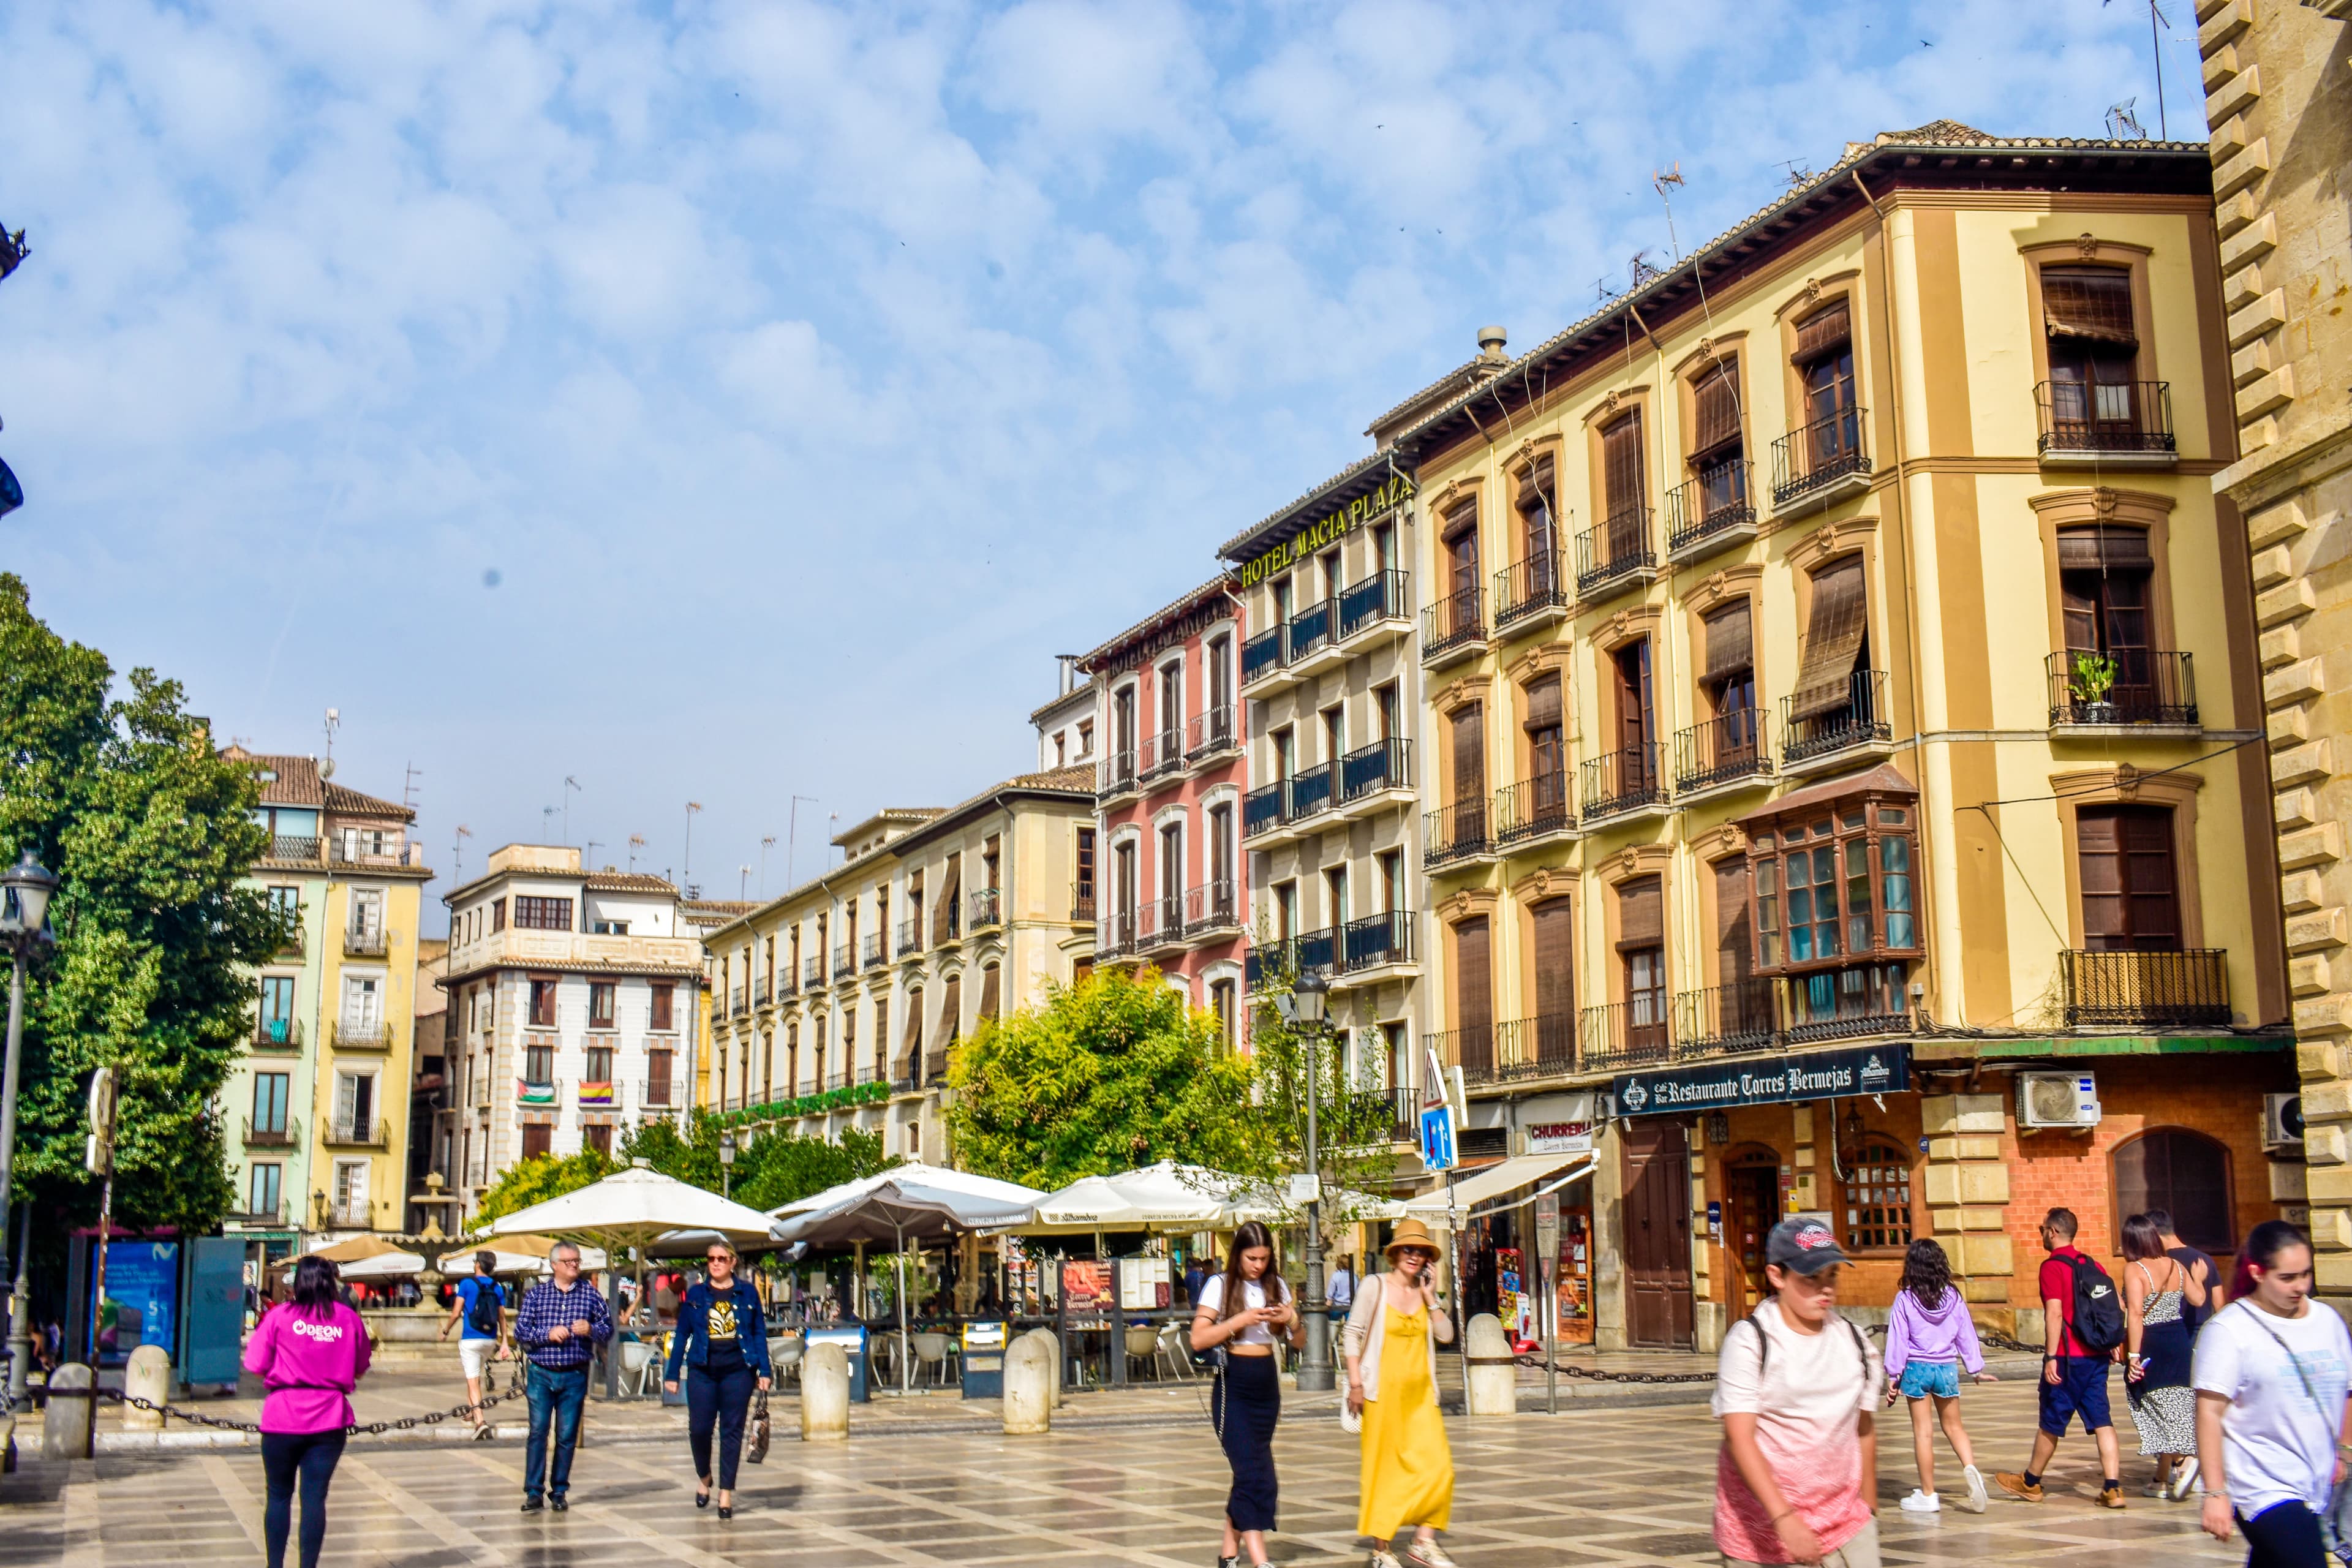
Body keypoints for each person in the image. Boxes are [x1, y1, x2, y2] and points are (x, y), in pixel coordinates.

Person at [1713, 1218, 1882, 1568]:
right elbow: (1739, 1437)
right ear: (1777, 1277)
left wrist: (1869, 1507)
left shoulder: (1854, 1340)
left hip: (1848, 1524)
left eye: (1831, 1275)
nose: (1826, 1289)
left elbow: (1863, 1428)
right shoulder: (1751, 1341)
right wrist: (1784, 1519)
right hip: (1762, 1532)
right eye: (1810, 1278)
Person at [2193, 1219, 2352, 1566]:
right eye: (2288, 1278)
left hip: (2317, 1481)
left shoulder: (2327, 1321)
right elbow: (2208, 1413)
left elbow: (2347, 1390)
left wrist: (2343, 1450)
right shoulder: (2229, 1330)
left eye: (2306, 1274)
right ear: (2258, 1272)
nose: (2300, 1286)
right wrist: (2216, 1493)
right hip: (2261, 1485)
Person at [242, 1255, 371, 1568]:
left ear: (298, 1284)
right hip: (329, 1420)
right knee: (314, 1499)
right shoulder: (348, 1318)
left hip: (282, 1418)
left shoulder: (280, 1317)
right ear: (331, 1283)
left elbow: (255, 1364)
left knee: (278, 1496)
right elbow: (361, 1367)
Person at [1345, 1217, 1458, 1568]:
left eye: (1422, 1251)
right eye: (1408, 1249)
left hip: (1422, 1396)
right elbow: (1351, 1334)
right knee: (1386, 1472)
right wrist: (1356, 1385)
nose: (1415, 1256)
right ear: (1394, 1254)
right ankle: (1382, 1550)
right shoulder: (1374, 1286)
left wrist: (1431, 1298)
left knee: (1440, 1469)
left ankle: (1423, 1542)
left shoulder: (1424, 1294)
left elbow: (1447, 1336)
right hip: (1382, 1395)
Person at [1996, 1207, 2126, 1509]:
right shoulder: (2092, 1265)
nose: (2041, 1234)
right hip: (2096, 1357)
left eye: (2043, 1229)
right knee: (2103, 1420)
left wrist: (2051, 1357)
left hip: (2068, 1358)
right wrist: (2113, 1342)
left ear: (2053, 1232)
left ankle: (2031, 1482)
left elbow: (2054, 1313)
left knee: (2051, 1422)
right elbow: (2115, 1306)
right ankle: (2113, 1488)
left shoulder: (2052, 1267)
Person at [1191, 1219, 1303, 1568]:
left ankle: (1228, 1555)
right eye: (1252, 1258)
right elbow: (1198, 1339)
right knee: (1257, 1474)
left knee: (1247, 1472)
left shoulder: (1277, 1285)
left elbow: (1298, 1343)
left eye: (1265, 1258)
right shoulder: (1219, 1285)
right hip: (1233, 1383)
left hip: (1265, 1382)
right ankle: (1260, 1561)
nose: (1258, 1265)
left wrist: (1292, 1319)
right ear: (1238, 1254)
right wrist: (1240, 1320)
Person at [1881, 1237, 1994, 1514]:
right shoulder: (1953, 1296)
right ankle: (1971, 1470)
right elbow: (1966, 1332)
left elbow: (1898, 1339)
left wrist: (1893, 1376)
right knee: (1955, 1427)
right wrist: (1975, 1367)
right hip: (1946, 1368)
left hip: (1917, 1369)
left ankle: (1928, 1495)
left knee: (1924, 1433)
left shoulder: (1905, 1298)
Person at [664, 1241, 774, 1520]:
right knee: (699, 1429)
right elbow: (682, 1334)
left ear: (733, 1262)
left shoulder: (747, 1293)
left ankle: (726, 1492)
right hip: (703, 1369)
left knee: (731, 1431)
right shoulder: (697, 1294)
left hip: (739, 1371)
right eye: (711, 1259)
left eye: (722, 1259)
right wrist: (672, 1373)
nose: (716, 1263)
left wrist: (764, 1370)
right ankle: (705, 1476)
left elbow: (758, 1332)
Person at [513, 1240, 614, 1513]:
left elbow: (608, 1328)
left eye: (577, 1262)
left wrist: (591, 1329)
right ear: (554, 1265)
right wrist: (547, 1334)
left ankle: (559, 1491)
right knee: (538, 1432)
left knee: (567, 1435)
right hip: (541, 1373)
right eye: (569, 1262)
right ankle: (534, 1491)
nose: (574, 1266)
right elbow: (521, 1332)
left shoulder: (590, 1295)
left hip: (574, 1374)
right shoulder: (536, 1295)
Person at [2121, 1212, 2205, 1499]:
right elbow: (2199, 1299)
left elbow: (2135, 1314)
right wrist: (2198, 1277)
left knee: (2147, 1401)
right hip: (2179, 1340)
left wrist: (2133, 1356)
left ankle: (2185, 1460)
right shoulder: (2177, 1266)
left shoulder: (2135, 1270)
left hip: (2152, 1342)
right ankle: (2160, 1479)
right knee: (2176, 1401)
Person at [436, 1250, 511, 1438]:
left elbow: (455, 1313)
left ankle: (480, 1421)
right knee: (475, 1377)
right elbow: (502, 1317)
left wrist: (445, 1331)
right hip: (489, 1339)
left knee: (472, 1380)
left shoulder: (467, 1284)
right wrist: (504, 1343)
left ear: (477, 1264)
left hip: (471, 1338)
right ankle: (472, 1411)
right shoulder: (497, 1287)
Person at [2150, 1208, 2222, 1336]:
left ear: (2155, 1235)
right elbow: (2219, 1304)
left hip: (2174, 1332)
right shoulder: (2204, 1259)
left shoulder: (2159, 1263)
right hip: (2204, 1332)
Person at [1329, 1254, 1356, 1326]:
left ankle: (1334, 1336)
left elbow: (1330, 1293)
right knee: (1351, 1327)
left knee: (1333, 1324)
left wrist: (1328, 1302)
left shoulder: (1336, 1276)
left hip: (1337, 1305)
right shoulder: (1354, 1276)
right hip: (1350, 1306)